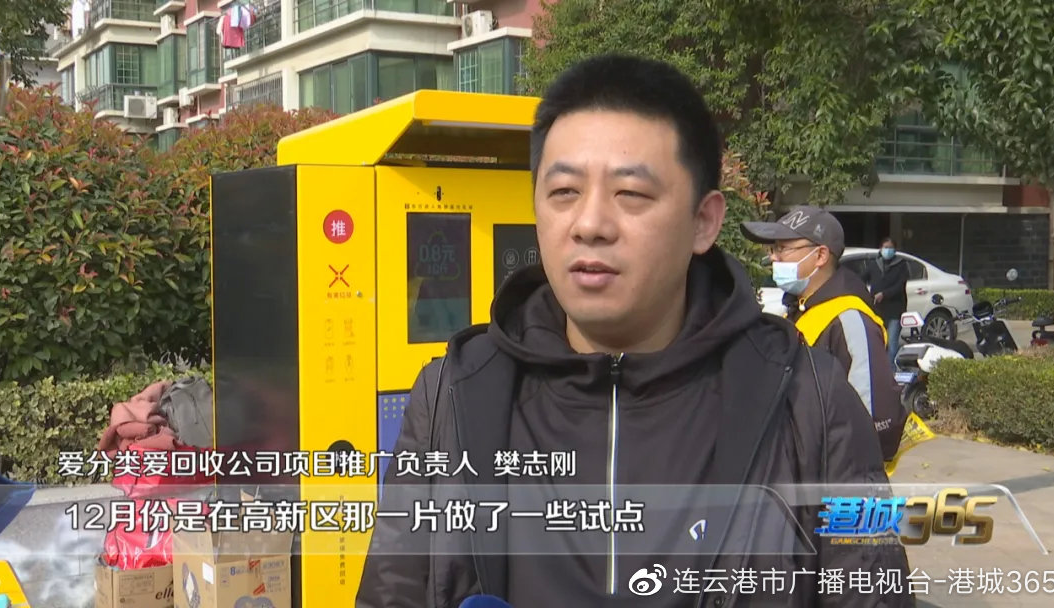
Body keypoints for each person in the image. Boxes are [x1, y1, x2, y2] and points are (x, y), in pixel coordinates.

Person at [357, 54, 912, 608]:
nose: (590, 224)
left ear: (704, 222)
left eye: (631, 194)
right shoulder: (453, 396)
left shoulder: (809, 400)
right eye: (564, 192)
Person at [741, 208, 907, 463]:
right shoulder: (800, 308)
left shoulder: (849, 319)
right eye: (773, 249)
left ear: (820, 255)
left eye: (782, 248)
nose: (773, 257)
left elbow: (875, 422)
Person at [863, 237, 910, 370]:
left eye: (890, 248)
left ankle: (891, 371)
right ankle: (880, 370)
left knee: (892, 343)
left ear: (894, 250)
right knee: (878, 341)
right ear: (880, 249)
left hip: (895, 309)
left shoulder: (901, 265)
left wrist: (884, 294)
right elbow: (862, 278)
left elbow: (900, 286)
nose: (887, 250)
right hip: (877, 310)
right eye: (885, 247)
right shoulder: (874, 264)